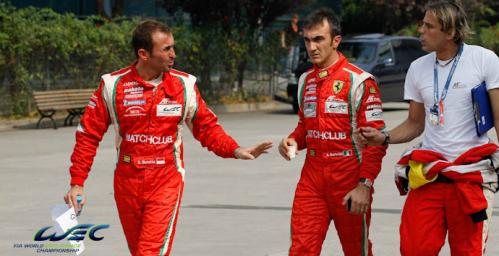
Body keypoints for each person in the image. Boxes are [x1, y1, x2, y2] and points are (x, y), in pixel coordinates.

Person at [63, 20, 272, 256]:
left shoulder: (184, 85)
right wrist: (77, 182)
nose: (173, 54)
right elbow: (88, 135)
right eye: (166, 49)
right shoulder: (113, 86)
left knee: (149, 252)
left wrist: (234, 149)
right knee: (140, 251)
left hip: (166, 181)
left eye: (173, 47)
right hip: (126, 182)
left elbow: (207, 127)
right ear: (143, 53)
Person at [360, 1, 499, 255]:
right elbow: (415, 123)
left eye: (428, 26)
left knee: (468, 251)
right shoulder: (418, 68)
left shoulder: (484, 60)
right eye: (422, 24)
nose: (420, 30)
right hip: (428, 175)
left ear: (451, 32)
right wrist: (384, 137)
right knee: (414, 248)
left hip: (469, 177)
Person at [278, 8, 387, 256]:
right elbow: (304, 128)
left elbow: (377, 142)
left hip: (349, 178)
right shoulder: (305, 80)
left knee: (355, 250)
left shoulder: (360, 81)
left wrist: (364, 185)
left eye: (319, 39)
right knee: (301, 249)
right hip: (312, 180)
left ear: (336, 40)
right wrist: (292, 141)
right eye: (307, 40)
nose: (312, 47)